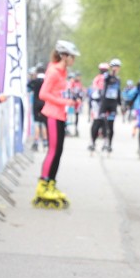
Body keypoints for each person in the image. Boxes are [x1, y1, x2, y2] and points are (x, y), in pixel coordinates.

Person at [33, 40, 80, 208]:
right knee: (53, 151)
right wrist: (64, 102)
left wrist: (71, 101)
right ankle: (43, 184)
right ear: (64, 56)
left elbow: (59, 92)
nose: (73, 60)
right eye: (72, 57)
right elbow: (43, 94)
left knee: (58, 151)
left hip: (60, 115)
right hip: (52, 114)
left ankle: (51, 183)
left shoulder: (64, 72)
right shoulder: (53, 71)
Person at [99, 58, 122, 153]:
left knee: (111, 125)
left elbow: (118, 91)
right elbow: (106, 80)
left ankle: (110, 144)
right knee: (103, 123)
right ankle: (104, 140)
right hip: (105, 102)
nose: (116, 69)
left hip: (113, 103)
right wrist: (111, 72)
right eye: (114, 67)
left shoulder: (118, 79)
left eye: (117, 67)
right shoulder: (106, 75)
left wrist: (121, 104)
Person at [87, 62, 109, 153]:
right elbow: (96, 90)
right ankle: (95, 141)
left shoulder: (97, 78)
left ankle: (95, 141)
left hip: (98, 102)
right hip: (98, 102)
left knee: (99, 122)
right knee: (100, 122)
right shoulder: (101, 78)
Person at [28, 63, 48, 151]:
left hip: (36, 103)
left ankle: (36, 142)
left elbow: (28, 86)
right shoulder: (47, 80)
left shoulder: (35, 81)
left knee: (36, 123)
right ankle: (45, 142)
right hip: (44, 103)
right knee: (44, 124)